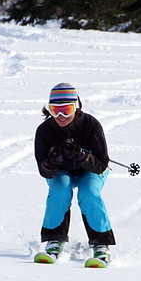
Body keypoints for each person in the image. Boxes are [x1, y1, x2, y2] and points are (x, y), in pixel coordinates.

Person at [33, 83, 116, 265]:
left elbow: (102, 165)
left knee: (89, 193)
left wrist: (82, 156)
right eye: (55, 110)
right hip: (62, 171)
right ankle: (54, 240)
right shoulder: (44, 131)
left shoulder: (91, 125)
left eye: (66, 110)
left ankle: (101, 244)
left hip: (91, 170)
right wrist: (52, 161)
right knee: (60, 192)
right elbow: (43, 170)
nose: (61, 116)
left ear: (76, 106)